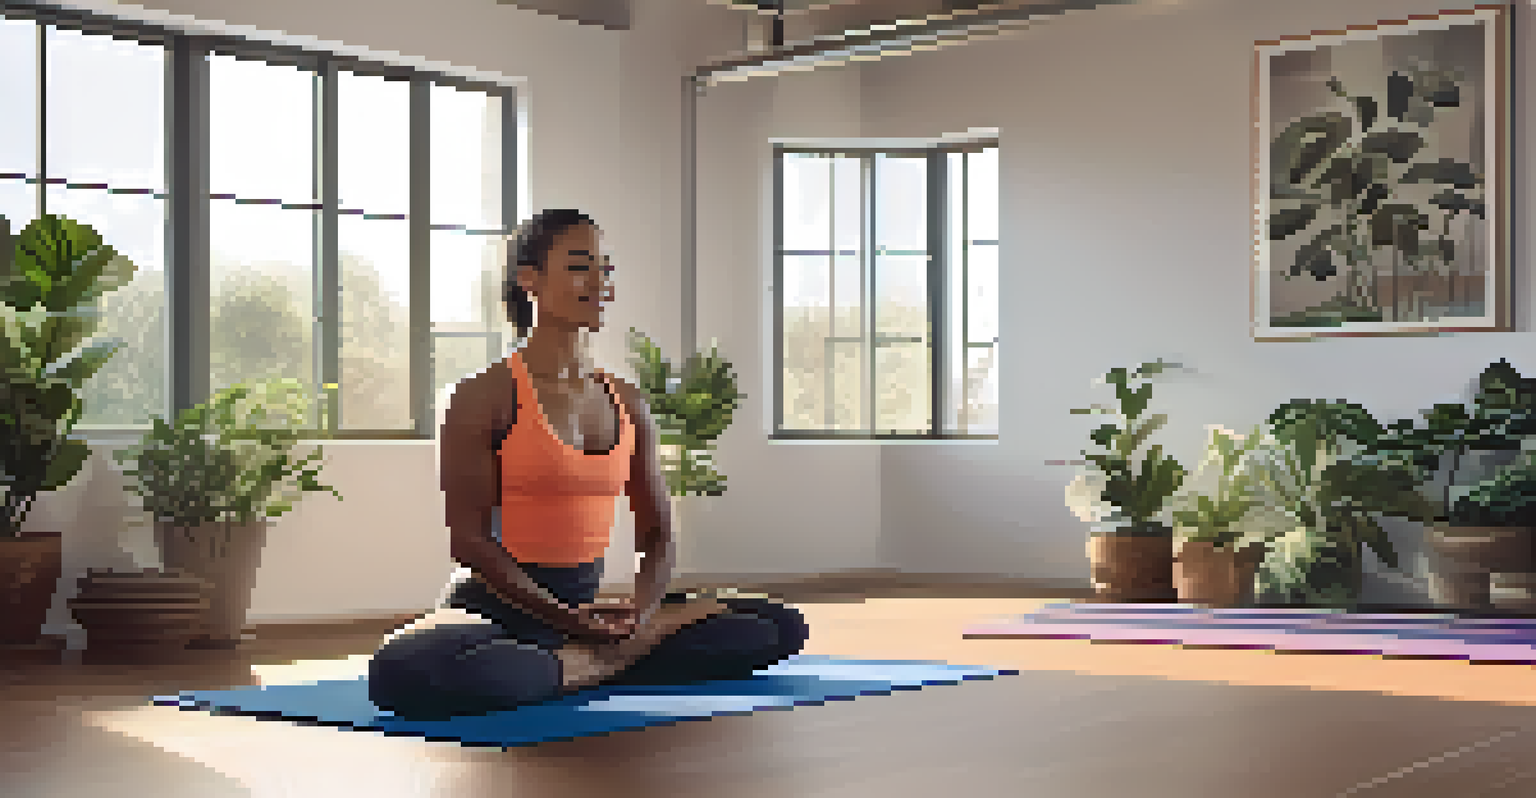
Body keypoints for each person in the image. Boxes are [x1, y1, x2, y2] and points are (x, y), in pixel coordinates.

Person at [368, 209, 809, 719]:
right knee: (404, 670)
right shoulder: (479, 397)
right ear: (528, 278)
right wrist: (566, 620)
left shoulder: (626, 399)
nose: (600, 283)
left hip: (589, 611)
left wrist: (641, 613)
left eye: (606, 269)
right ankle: (605, 663)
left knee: (776, 624)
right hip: (496, 612)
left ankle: (574, 665)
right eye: (581, 267)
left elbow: (658, 535)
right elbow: (468, 541)